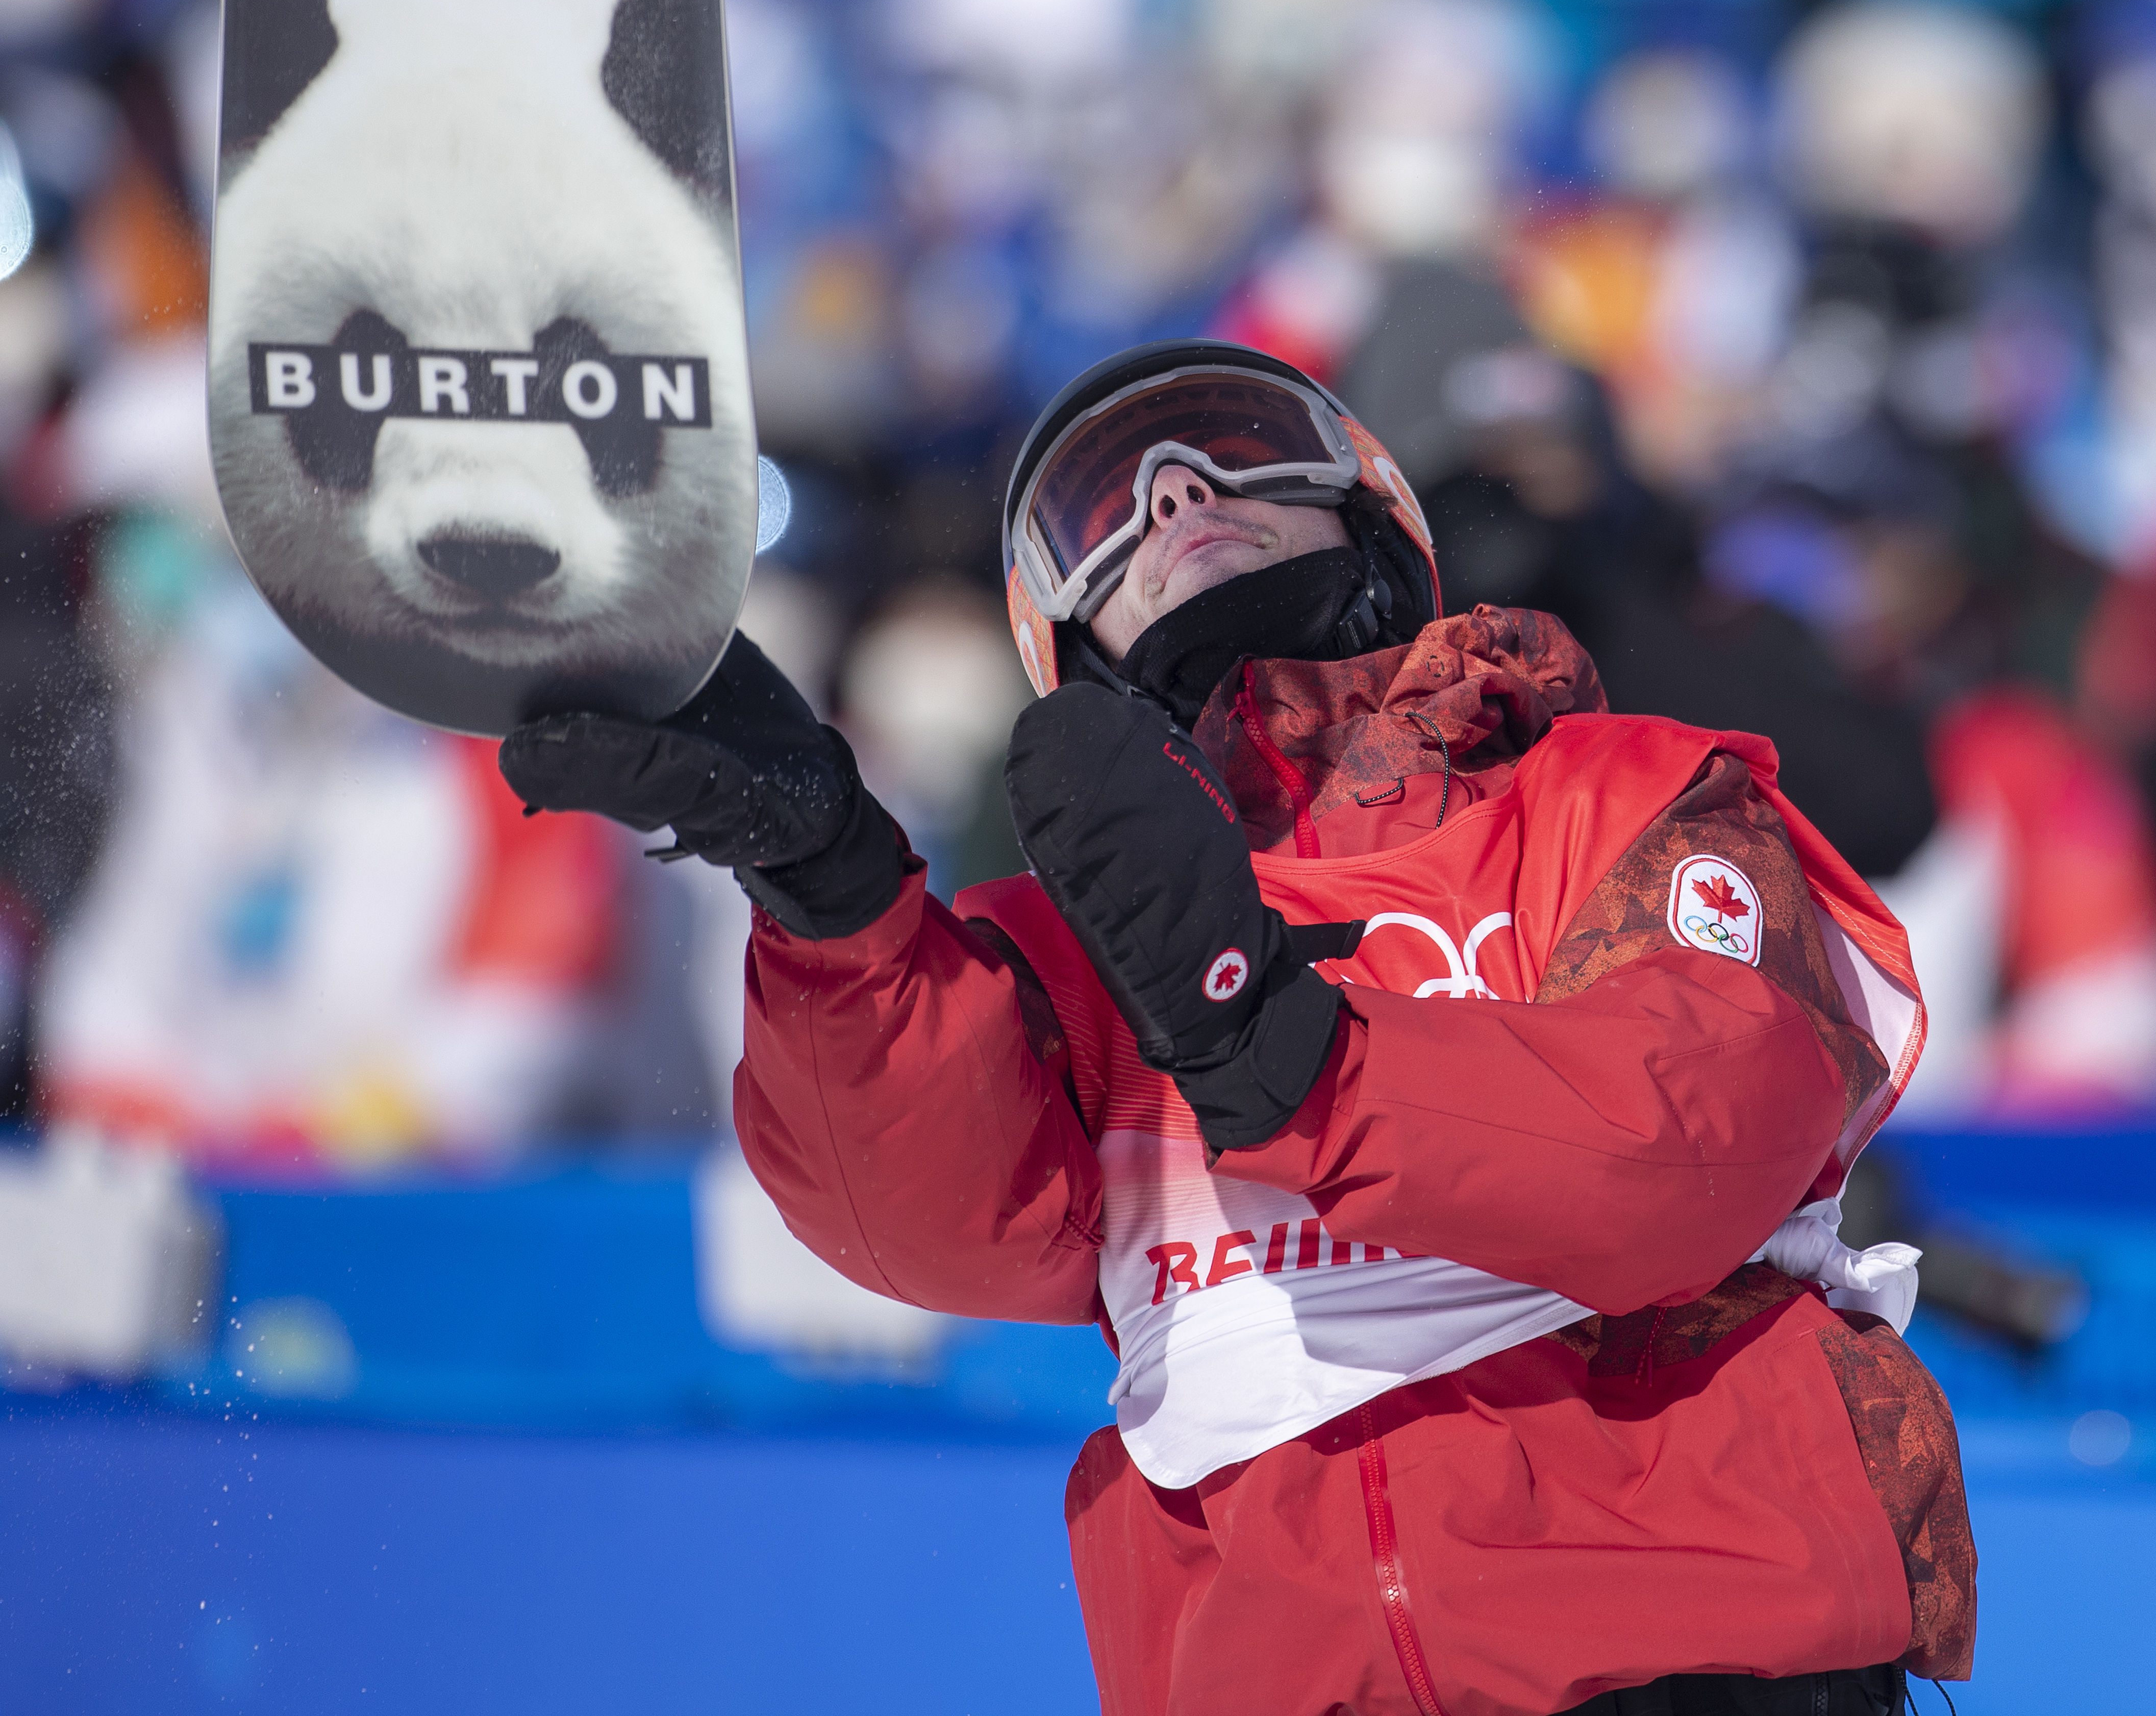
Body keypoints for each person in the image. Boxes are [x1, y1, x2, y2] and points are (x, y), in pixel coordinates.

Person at [503, 341, 1973, 1715]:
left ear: (1373, 515)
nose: (1180, 498)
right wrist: (830, 894)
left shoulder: (1613, 795)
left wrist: (1295, 1056)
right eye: (1105, 510)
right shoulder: (1060, 949)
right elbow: (928, 1226)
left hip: (1697, 1648)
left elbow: (1699, 1129)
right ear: (1058, 637)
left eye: (1238, 454)